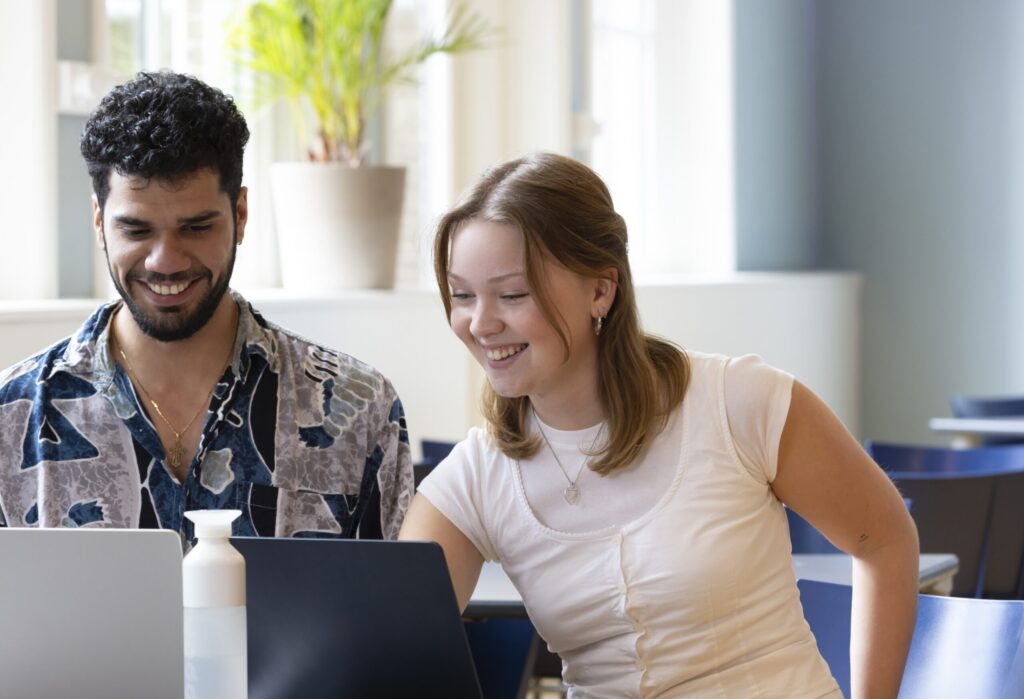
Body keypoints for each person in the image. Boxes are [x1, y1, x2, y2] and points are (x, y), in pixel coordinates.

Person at [400, 153, 919, 697]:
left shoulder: (737, 401)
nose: (480, 323)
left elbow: (885, 539)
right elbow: (390, 644)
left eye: (512, 294)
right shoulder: (476, 479)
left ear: (601, 290)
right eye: (462, 296)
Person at [0, 72, 413, 540]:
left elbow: (389, 612)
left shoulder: (360, 411)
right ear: (99, 222)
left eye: (196, 228)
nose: (166, 261)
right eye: (136, 230)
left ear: (240, 215)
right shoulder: (12, 418)